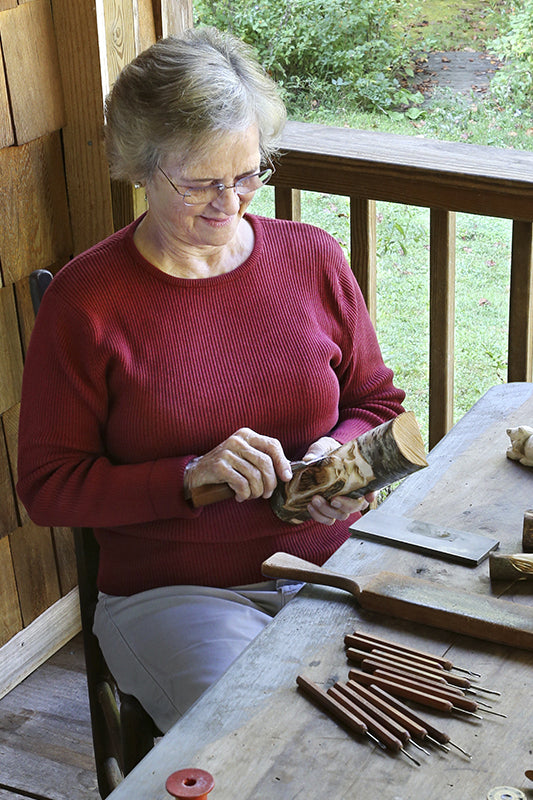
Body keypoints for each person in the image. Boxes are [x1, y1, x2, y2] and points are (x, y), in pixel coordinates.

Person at [17, 26, 405, 734]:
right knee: (263, 739)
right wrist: (191, 477)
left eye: (248, 174)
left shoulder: (311, 257)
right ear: (141, 166)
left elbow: (374, 401)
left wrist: (339, 464)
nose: (229, 204)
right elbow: (48, 487)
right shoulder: (87, 301)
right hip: (176, 594)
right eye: (199, 183)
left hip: (329, 569)